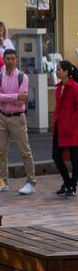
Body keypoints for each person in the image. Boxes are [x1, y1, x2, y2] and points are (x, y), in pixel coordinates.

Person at [0, 48, 36, 194]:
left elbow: (21, 100)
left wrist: (10, 97)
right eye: (7, 59)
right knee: (1, 151)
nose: (10, 61)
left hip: (17, 117)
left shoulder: (23, 77)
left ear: (16, 60)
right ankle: (3, 181)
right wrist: (15, 96)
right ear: (3, 60)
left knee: (25, 150)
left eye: (12, 58)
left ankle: (31, 181)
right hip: (1, 116)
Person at [52, 59, 78, 197]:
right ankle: (67, 182)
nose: (57, 71)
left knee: (75, 160)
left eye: (59, 69)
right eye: (56, 69)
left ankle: (72, 186)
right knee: (56, 156)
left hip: (72, 130)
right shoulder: (58, 87)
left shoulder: (74, 87)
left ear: (66, 71)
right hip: (59, 128)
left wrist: (72, 123)